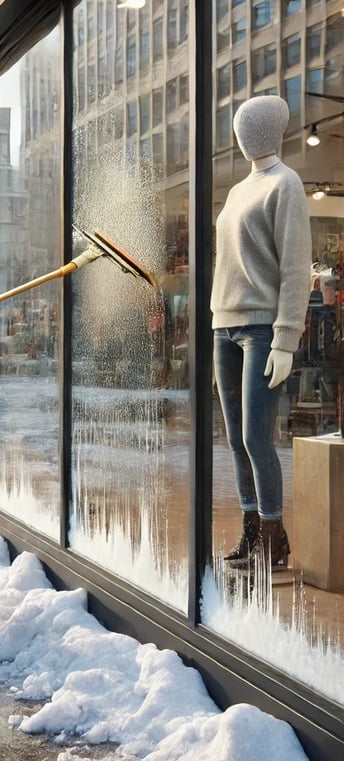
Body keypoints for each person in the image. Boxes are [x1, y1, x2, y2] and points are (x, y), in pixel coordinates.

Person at [211, 95, 311, 571]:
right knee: (233, 440)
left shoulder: (285, 184)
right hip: (223, 328)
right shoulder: (235, 192)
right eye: (239, 126)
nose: (243, 133)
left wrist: (287, 338)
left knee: (256, 439)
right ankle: (253, 531)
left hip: (260, 328)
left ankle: (274, 535)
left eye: (250, 125)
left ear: (271, 130)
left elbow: (296, 268)